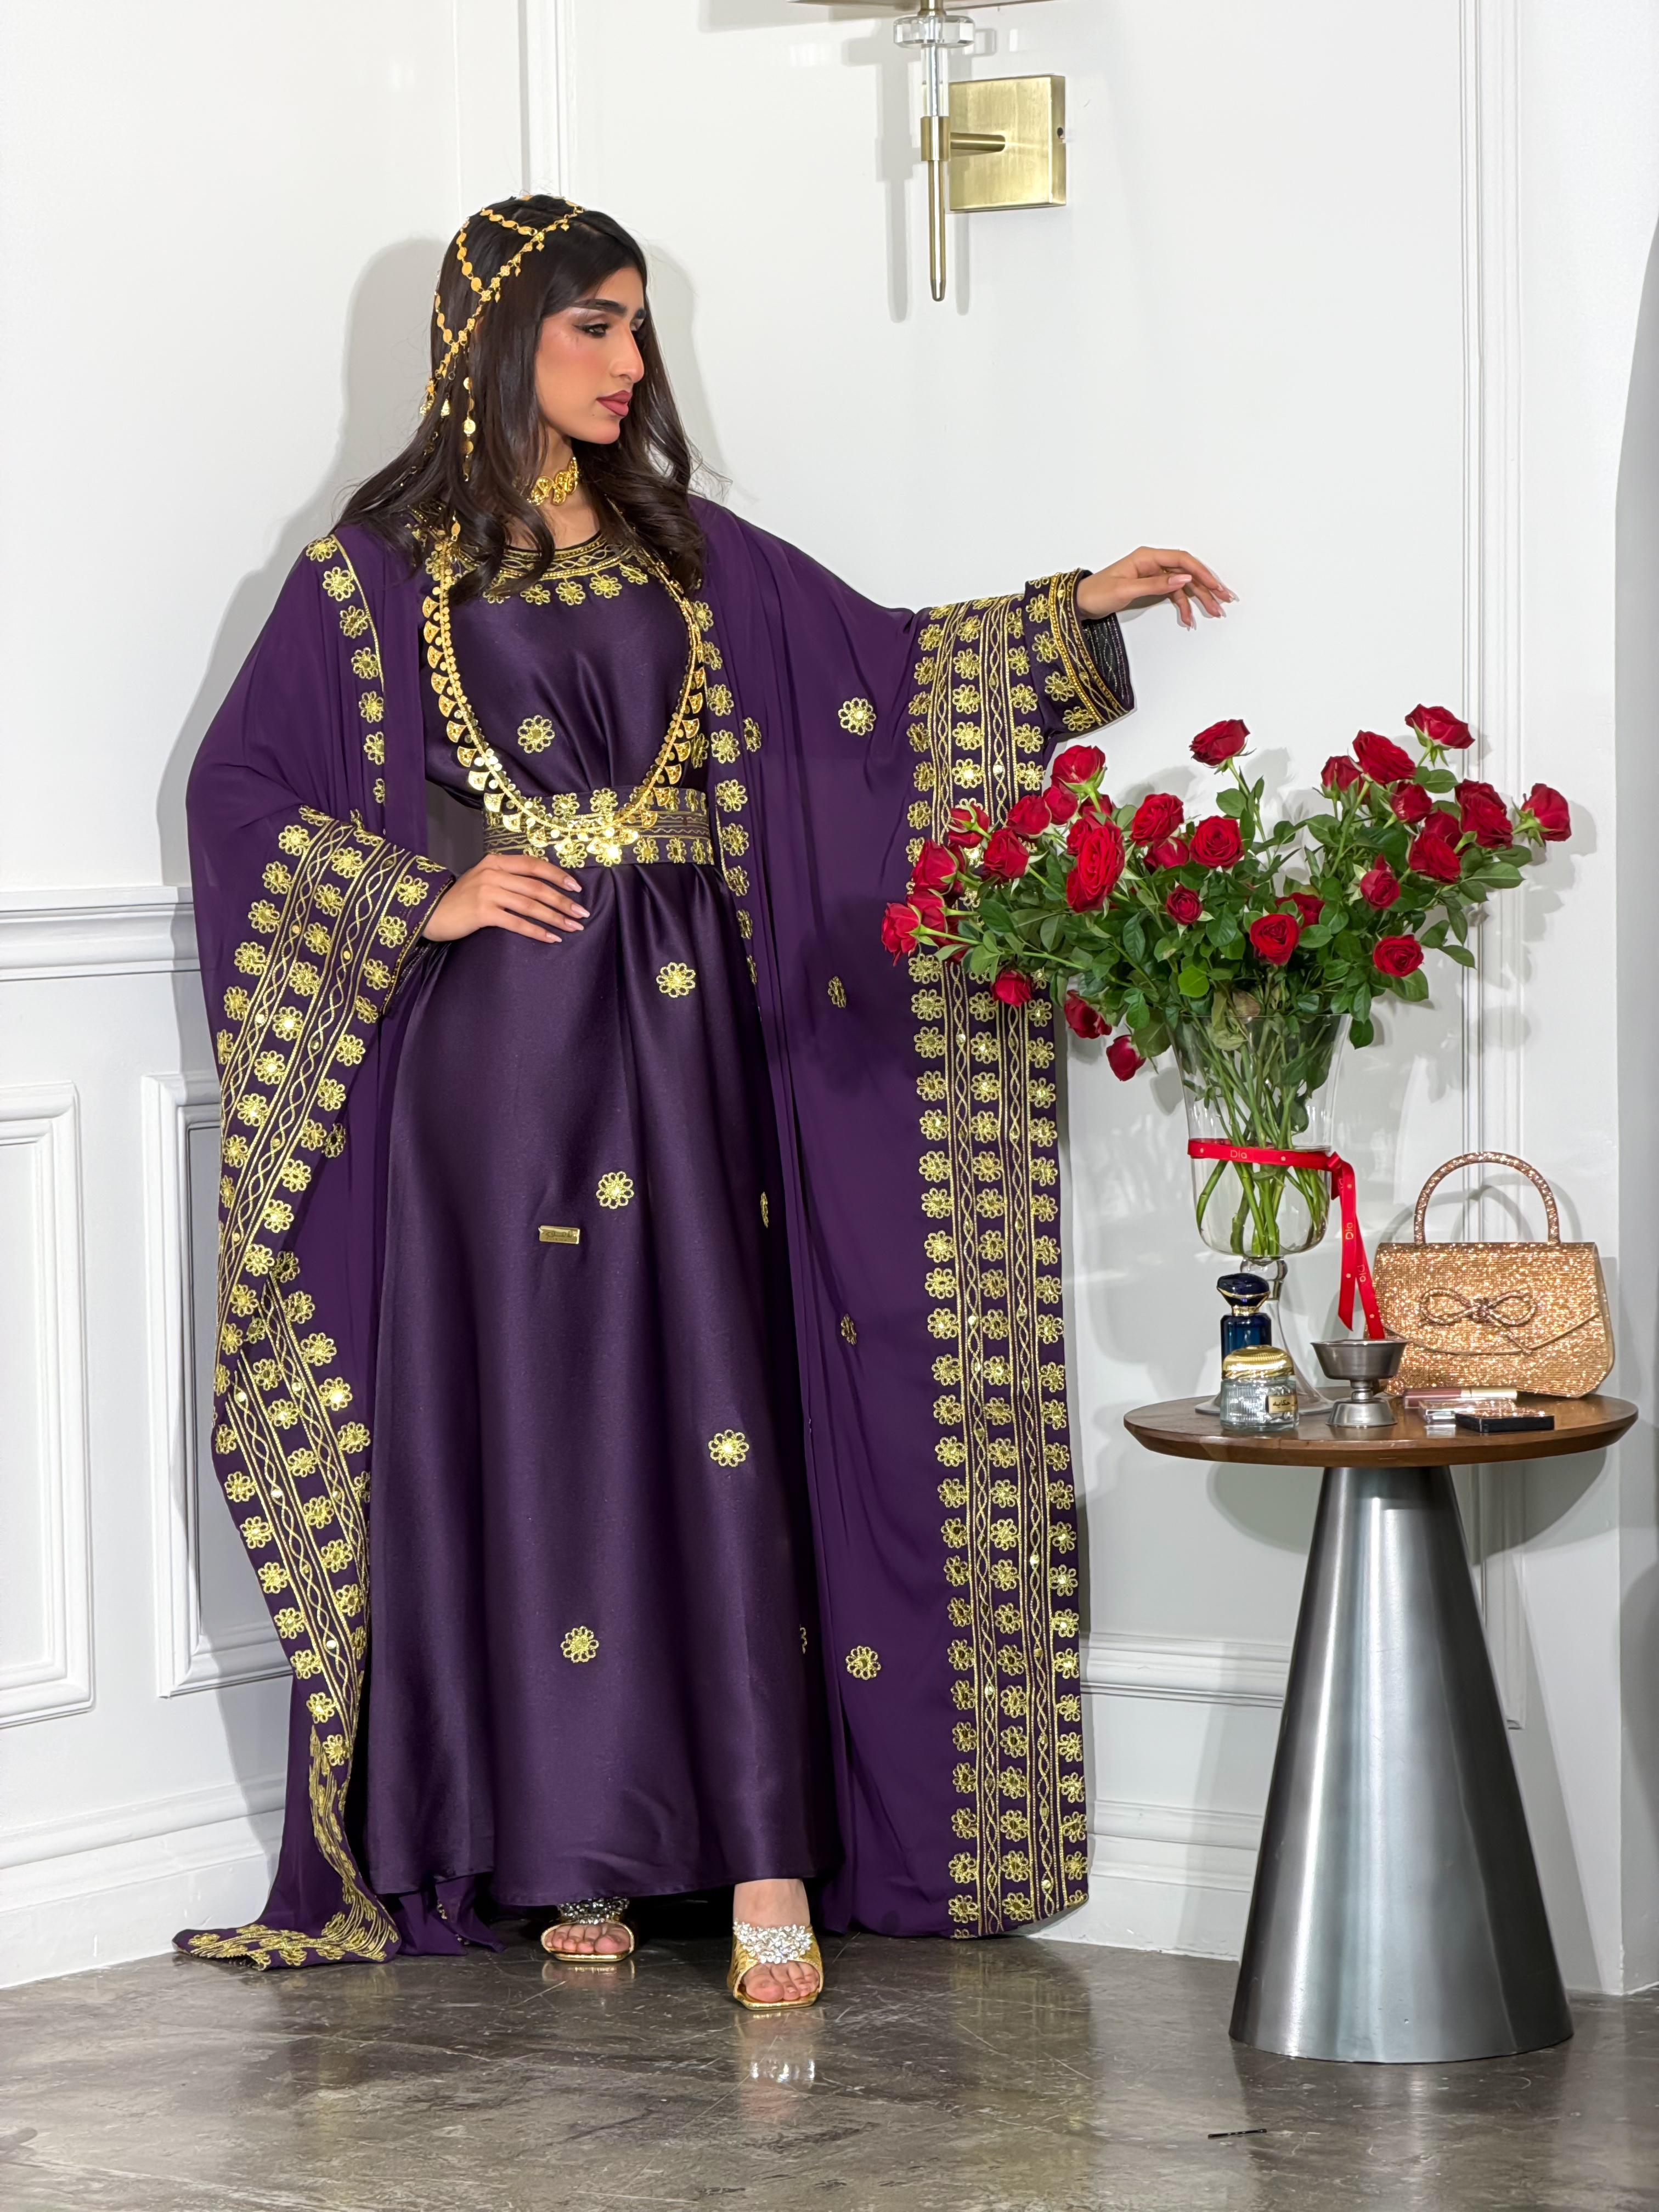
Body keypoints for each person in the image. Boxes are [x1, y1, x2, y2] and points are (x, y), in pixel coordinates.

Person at [179, 196, 1229, 2007]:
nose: (630, 361)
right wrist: (425, 894)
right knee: (552, 1427)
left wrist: (1070, 618)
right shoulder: (372, 576)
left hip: (690, 1042)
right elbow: (244, 793)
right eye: (594, 325)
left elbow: (878, 680)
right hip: (502, 1058)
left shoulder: (683, 550)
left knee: (719, 1407)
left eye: (639, 325)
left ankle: (760, 1855)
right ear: (495, 338)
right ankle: (571, 1850)